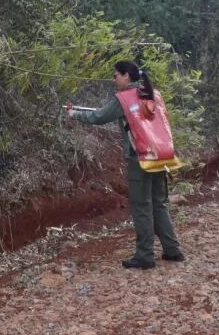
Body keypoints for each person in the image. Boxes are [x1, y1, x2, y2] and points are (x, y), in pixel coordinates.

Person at [71, 60, 184, 269]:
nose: (114, 80)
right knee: (158, 203)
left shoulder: (122, 98)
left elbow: (98, 117)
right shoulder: (154, 94)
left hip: (140, 158)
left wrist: (74, 114)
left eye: (115, 76)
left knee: (142, 206)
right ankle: (172, 250)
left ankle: (145, 256)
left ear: (125, 76)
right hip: (161, 155)